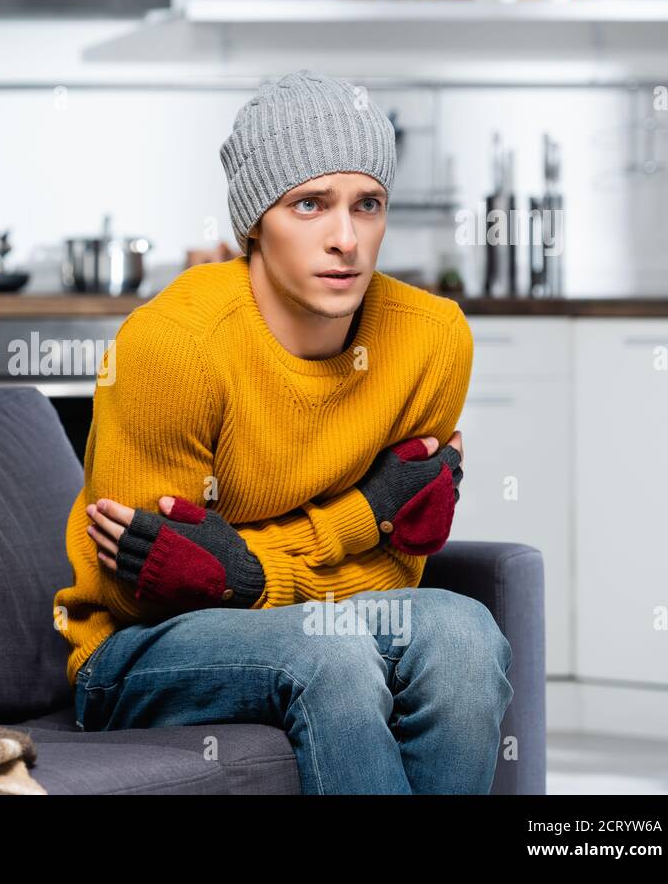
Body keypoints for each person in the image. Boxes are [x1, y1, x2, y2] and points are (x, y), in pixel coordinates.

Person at [51, 69, 513, 794]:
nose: (346, 239)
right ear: (255, 223)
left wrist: (252, 570)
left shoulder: (432, 340)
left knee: (465, 637)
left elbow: (405, 567)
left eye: (368, 205)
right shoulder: (174, 346)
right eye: (309, 204)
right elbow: (142, 590)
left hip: (316, 618)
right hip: (131, 653)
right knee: (331, 652)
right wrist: (369, 513)